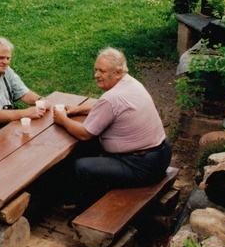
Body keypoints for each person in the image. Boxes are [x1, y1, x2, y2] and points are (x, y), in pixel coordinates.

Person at [52, 47, 172, 203]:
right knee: (90, 147)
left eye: (102, 71)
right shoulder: (131, 83)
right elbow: (108, 108)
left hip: (141, 166)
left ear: (117, 73)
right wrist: (78, 109)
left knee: (81, 165)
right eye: (95, 69)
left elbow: (84, 133)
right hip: (161, 155)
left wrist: (62, 119)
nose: (96, 75)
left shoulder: (111, 98)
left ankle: (85, 205)